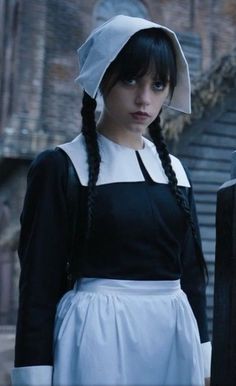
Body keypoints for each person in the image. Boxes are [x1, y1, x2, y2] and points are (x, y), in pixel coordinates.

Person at [11, 15, 211, 386]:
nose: (144, 98)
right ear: (103, 77)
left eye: (158, 84)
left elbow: (192, 277)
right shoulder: (61, 166)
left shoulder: (175, 170)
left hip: (172, 335)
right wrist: (34, 374)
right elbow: (38, 284)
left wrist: (203, 353)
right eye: (131, 79)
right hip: (96, 337)